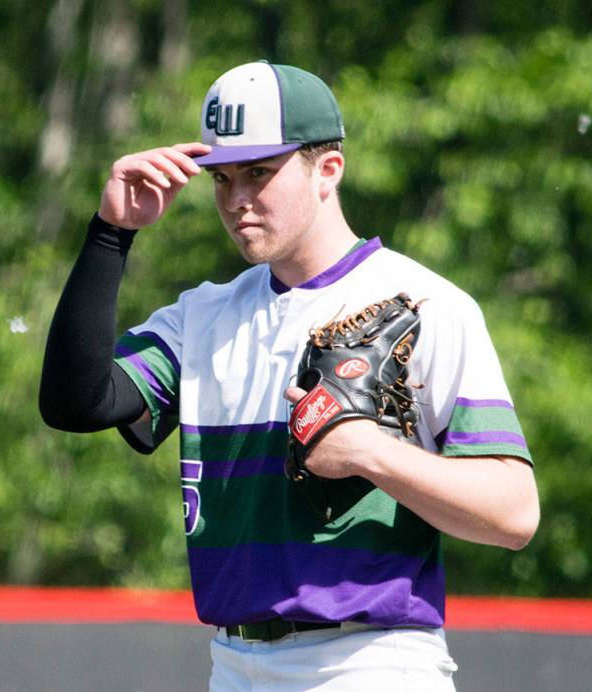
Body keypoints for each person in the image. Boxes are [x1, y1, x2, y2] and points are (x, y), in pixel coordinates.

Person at [39, 60, 539, 691]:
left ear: (327, 170)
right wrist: (111, 235)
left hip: (368, 662)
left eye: (259, 173)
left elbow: (515, 514)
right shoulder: (203, 314)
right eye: (221, 178)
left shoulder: (425, 303)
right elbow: (75, 404)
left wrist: (372, 454)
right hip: (233, 662)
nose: (237, 199)